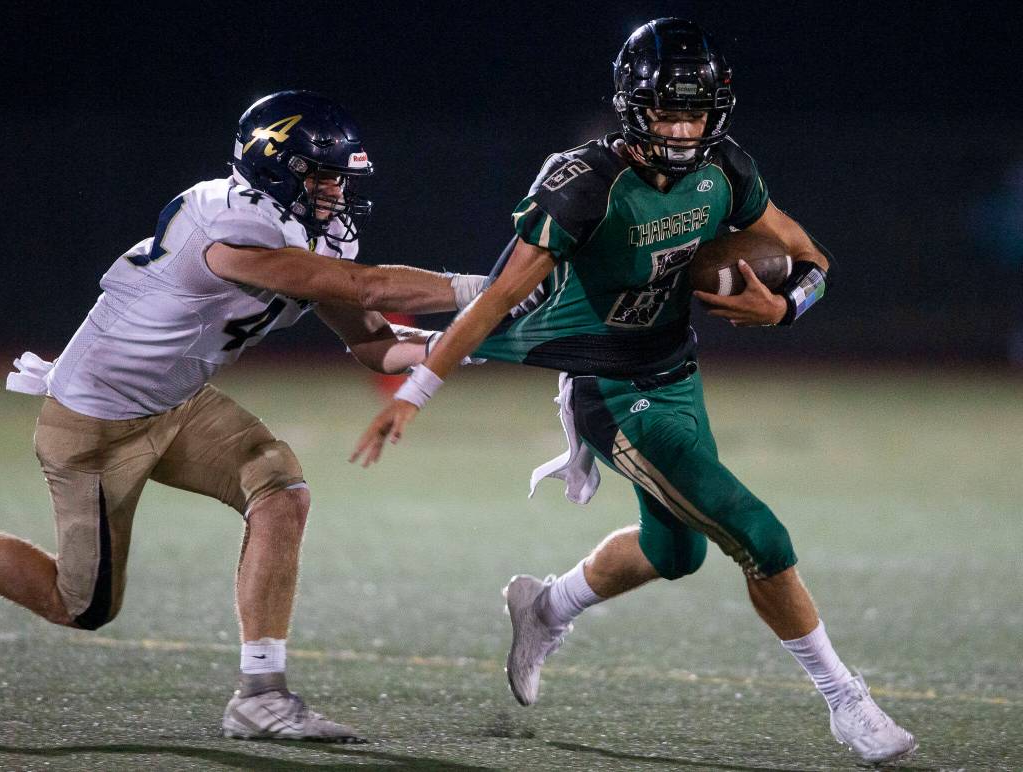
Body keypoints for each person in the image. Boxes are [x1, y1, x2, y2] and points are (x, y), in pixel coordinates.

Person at [351, 19, 917, 764]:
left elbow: (813, 259)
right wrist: (413, 392)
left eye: (695, 112)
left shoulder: (727, 169)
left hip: (677, 375)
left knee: (674, 550)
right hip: (611, 391)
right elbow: (495, 299)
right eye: (667, 112)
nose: (682, 129)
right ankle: (845, 701)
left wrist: (785, 308)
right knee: (760, 537)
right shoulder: (585, 183)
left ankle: (544, 606)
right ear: (632, 107)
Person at [0, 90, 485, 743]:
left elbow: (373, 342)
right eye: (323, 176)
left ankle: (261, 696)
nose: (337, 192)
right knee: (80, 604)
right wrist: (485, 292)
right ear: (275, 168)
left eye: (341, 177)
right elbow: (365, 286)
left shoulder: (314, 232)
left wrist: (466, 341)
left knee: (280, 491)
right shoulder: (228, 223)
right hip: (96, 420)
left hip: (177, 403)